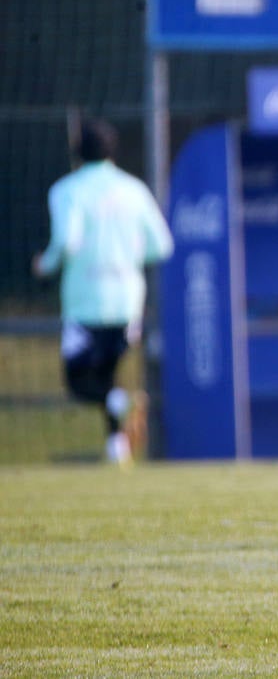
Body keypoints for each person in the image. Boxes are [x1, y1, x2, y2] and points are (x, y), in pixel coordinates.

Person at [32, 116, 174, 466]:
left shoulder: (66, 190)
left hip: (85, 303)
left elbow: (67, 241)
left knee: (78, 381)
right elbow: (162, 245)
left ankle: (119, 413)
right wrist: (126, 257)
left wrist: (44, 265)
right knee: (109, 377)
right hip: (127, 302)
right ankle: (116, 447)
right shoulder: (134, 189)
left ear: (78, 151)